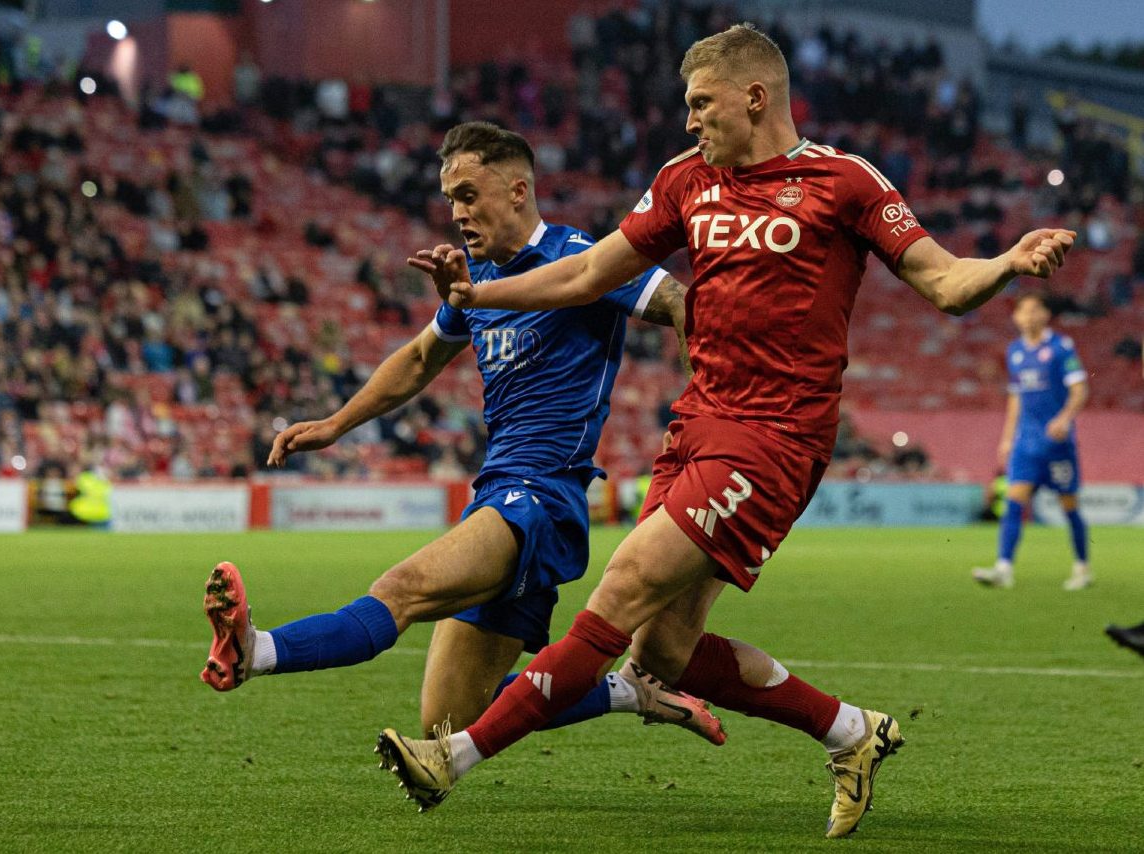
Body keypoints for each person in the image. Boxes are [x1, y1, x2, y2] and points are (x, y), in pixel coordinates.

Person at [377, 23, 1075, 839]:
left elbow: (945, 283)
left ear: (755, 97)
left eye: (700, 103)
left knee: (625, 583)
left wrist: (1006, 263)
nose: (688, 121)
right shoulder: (686, 181)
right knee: (661, 653)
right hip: (699, 425)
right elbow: (587, 273)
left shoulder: (842, 182)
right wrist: (475, 299)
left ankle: (452, 757)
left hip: (777, 436)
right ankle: (853, 732)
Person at [201, 121, 725, 746]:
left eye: (469, 195)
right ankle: (628, 691)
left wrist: (707, 412)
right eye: (450, 198)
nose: (457, 213)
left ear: (517, 191)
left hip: (541, 496)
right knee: (449, 720)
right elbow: (422, 356)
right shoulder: (476, 281)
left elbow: (681, 302)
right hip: (499, 491)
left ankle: (255, 651)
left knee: (401, 589)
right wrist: (337, 424)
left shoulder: (578, 258)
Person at [971, 294, 1091, 590]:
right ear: (1016, 318)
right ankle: (1004, 567)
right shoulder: (1015, 352)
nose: (1028, 315)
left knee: (1069, 506)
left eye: (1035, 309)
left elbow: (1080, 390)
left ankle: (1082, 567)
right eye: (1023, 311)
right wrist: (1007, 437)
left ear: (1046, 314)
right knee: (1014, 501)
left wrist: (1064, 419)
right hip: (1027, 443)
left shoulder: (1061, 348)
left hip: (1058, 443)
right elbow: (1016, 398)